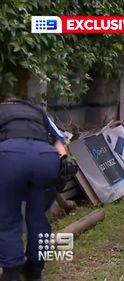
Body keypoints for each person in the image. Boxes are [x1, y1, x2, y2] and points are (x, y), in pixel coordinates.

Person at [0, 96, 67, 281]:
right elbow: (61, 147)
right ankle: (34, 271)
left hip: (10, 156)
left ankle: (12, 272)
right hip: (45, 158)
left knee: (6, 218)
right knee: (38, 219)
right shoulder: (39, 112)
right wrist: (60, 170)